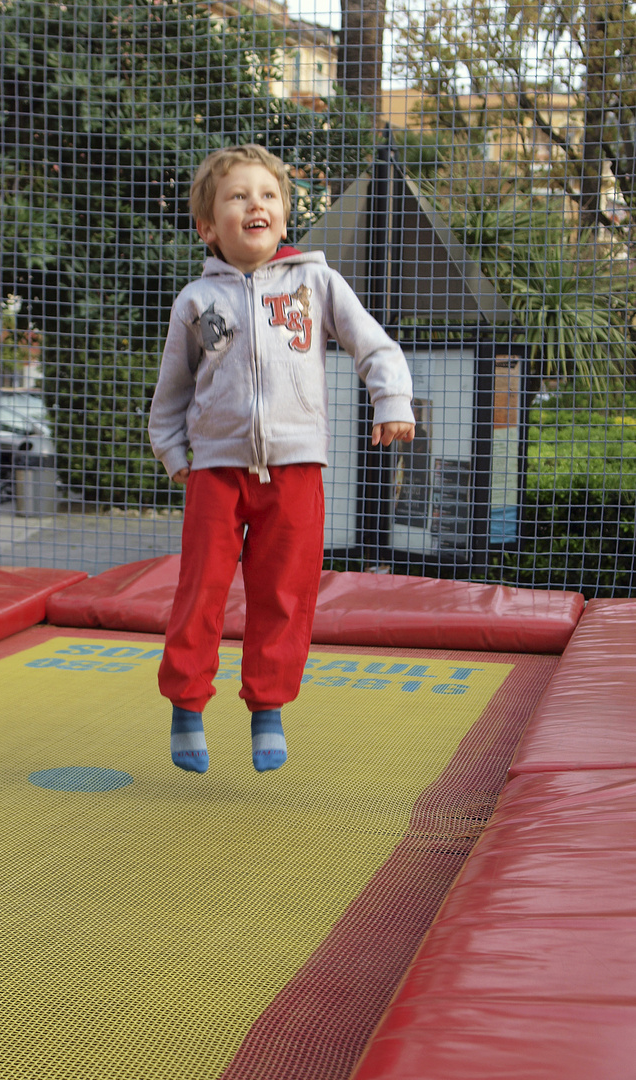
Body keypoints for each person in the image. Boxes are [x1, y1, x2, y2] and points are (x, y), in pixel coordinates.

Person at [148, 143, 415, 775]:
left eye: (267, 195)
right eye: (237, 197)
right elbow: (172, 388)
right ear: (209, 225)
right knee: (200, 591)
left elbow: (373, 346)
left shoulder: (315, 282)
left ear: (285, 216)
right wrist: (170, 449)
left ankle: (267, 708)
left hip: (295, 467)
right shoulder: (195, 302)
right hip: (216, 468)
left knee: (285, 595)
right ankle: (187, 704)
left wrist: (392, 401)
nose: (254, 205)